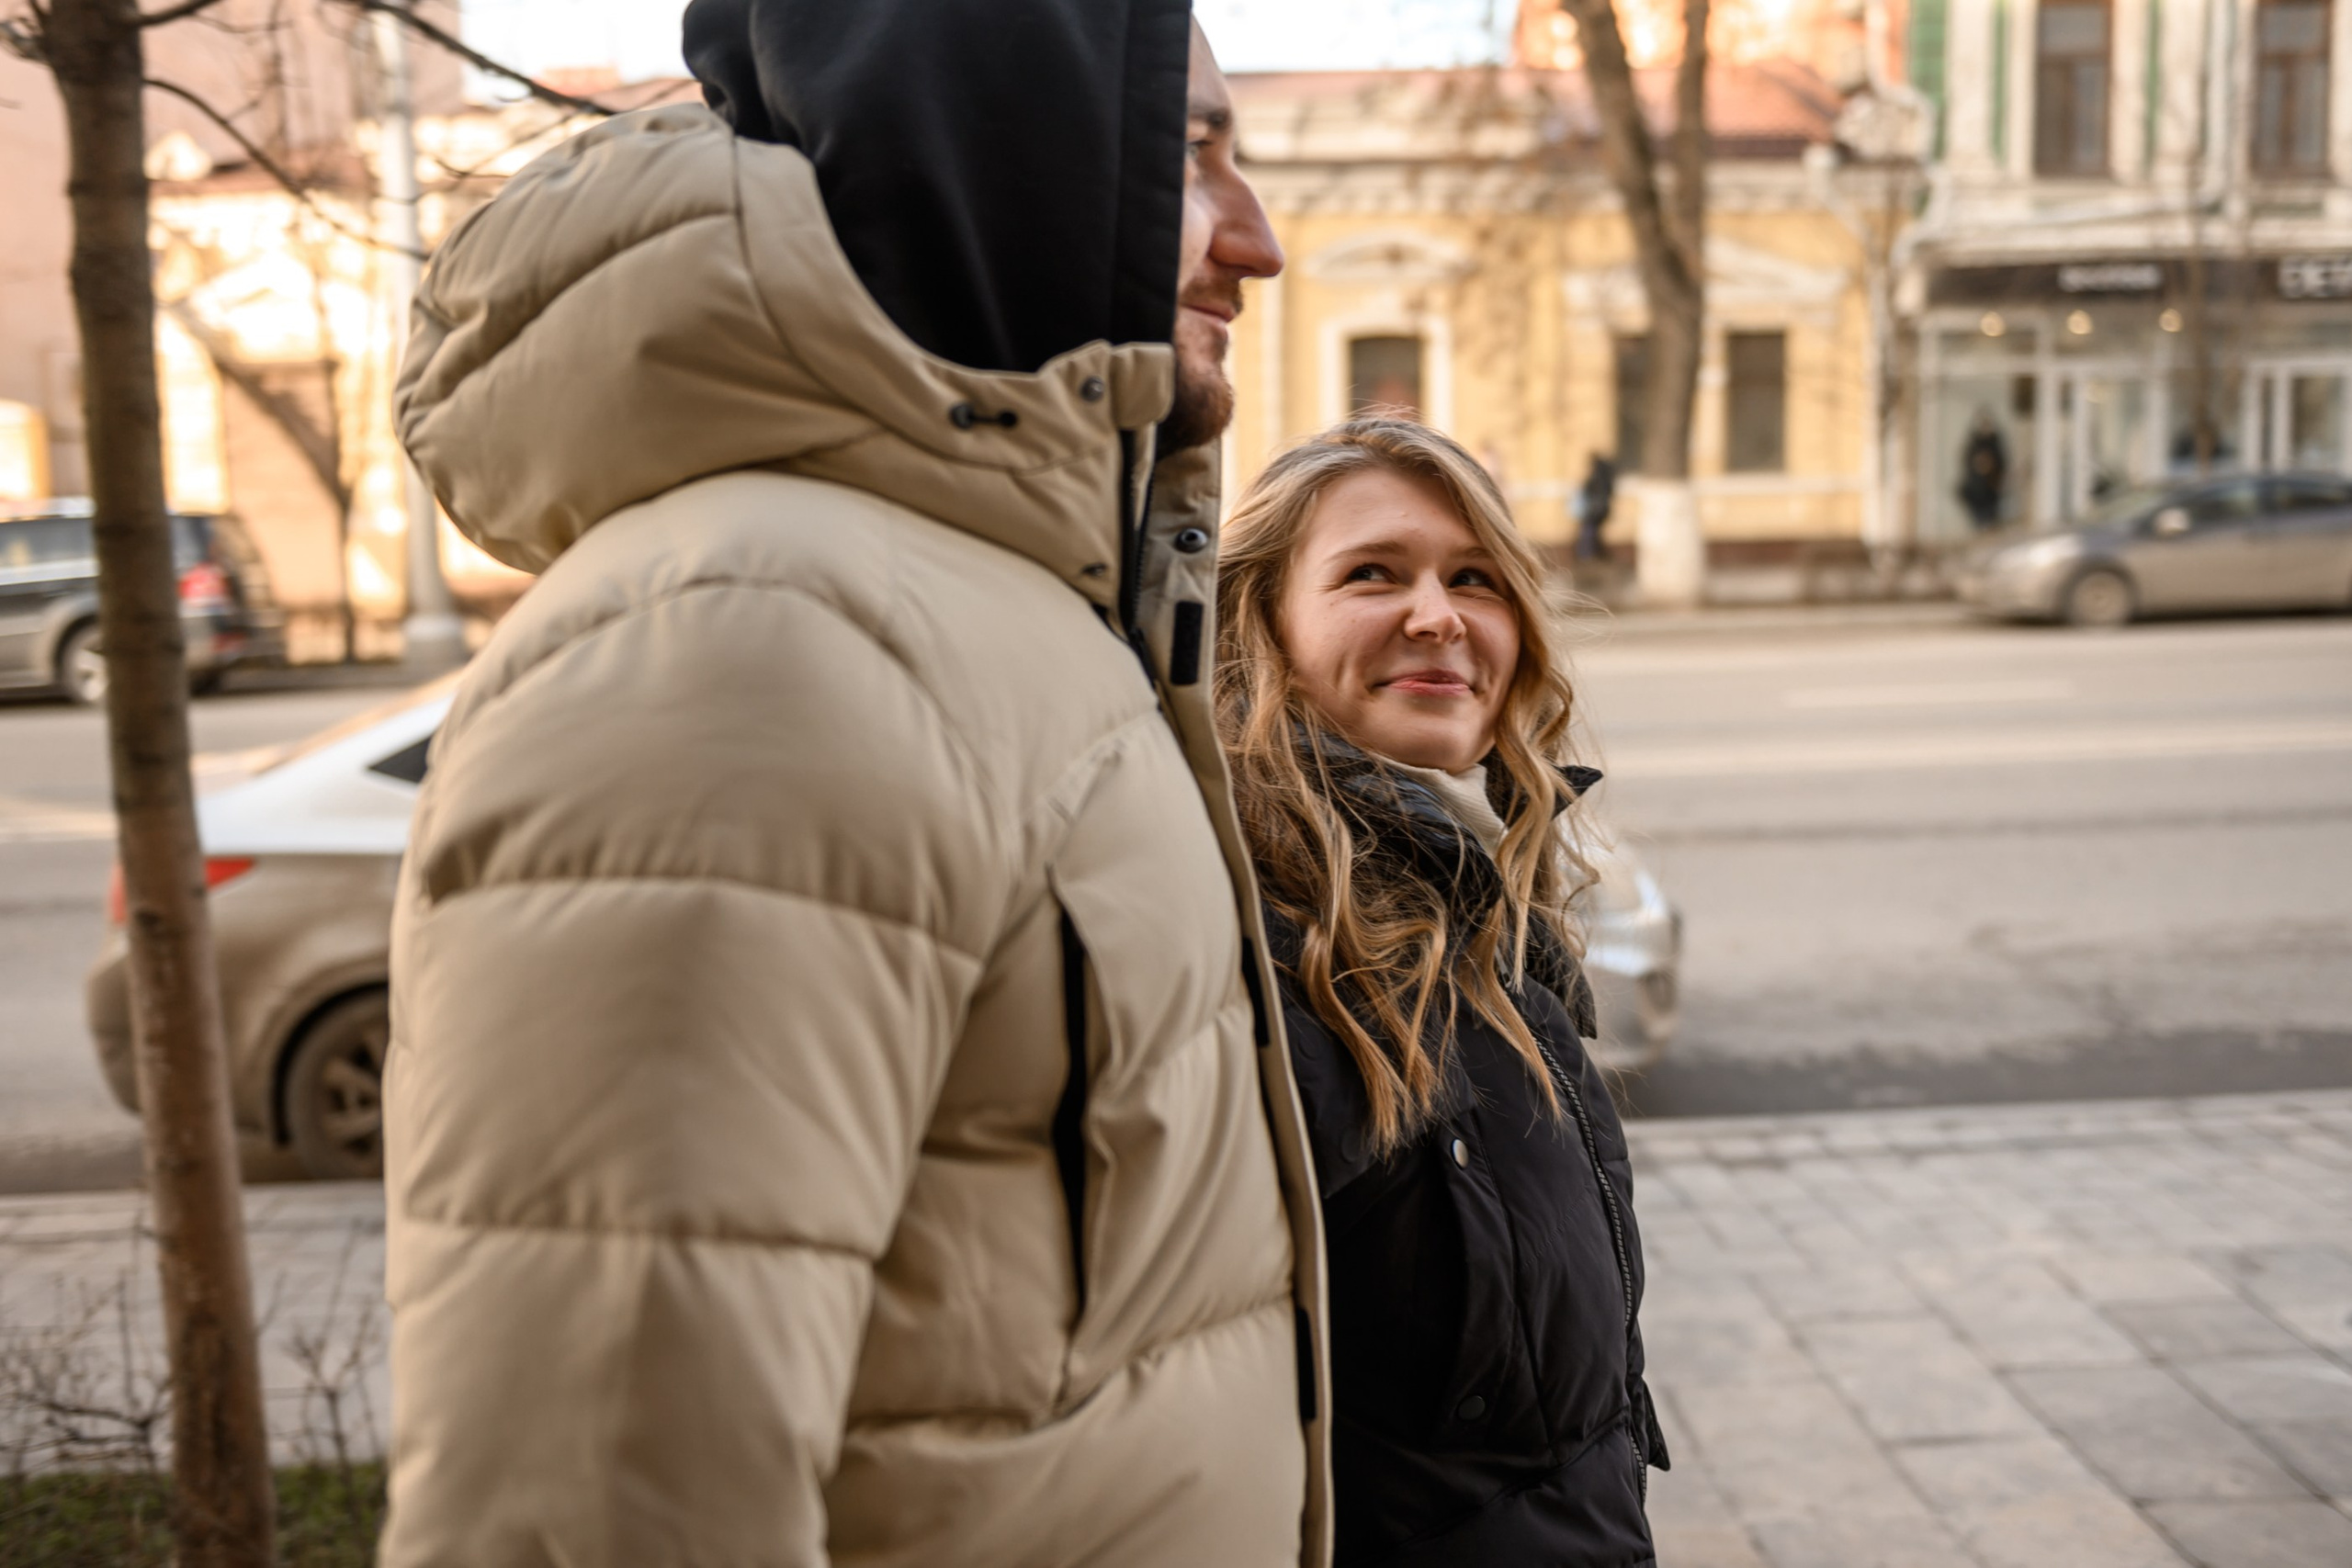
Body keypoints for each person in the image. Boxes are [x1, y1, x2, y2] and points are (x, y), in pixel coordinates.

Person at [377, 5, 1331, 1565]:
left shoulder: (1000, 612)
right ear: (1001, 149)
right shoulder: (756, 635)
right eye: (1193, 155)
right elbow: (604, 1499)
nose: (1258, 243)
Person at [1216, 417, 1667, 1567]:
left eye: (1476, 579)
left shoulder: (1488, 902)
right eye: (1374, 573)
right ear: (1260, 619)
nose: (1439, 616)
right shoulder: (1247, 937)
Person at [1959, 409, 2008, 530]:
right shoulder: (1974, 444)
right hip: (1976, 491)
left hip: (1991, 491)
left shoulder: (1995, 443)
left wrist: (1993, 470)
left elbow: (2002, 463)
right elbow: (1967, 462)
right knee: (1979, 524)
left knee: (1991, 523)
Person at [1575, 449, 1616, 560]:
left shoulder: (1597, 475)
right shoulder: (1606, 474)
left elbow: (1591, 489)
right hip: (1601, 508)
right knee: (1593, 532)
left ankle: (1586, 555)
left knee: (1589, 531)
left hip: (1595, 509)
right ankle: (1591, 555)